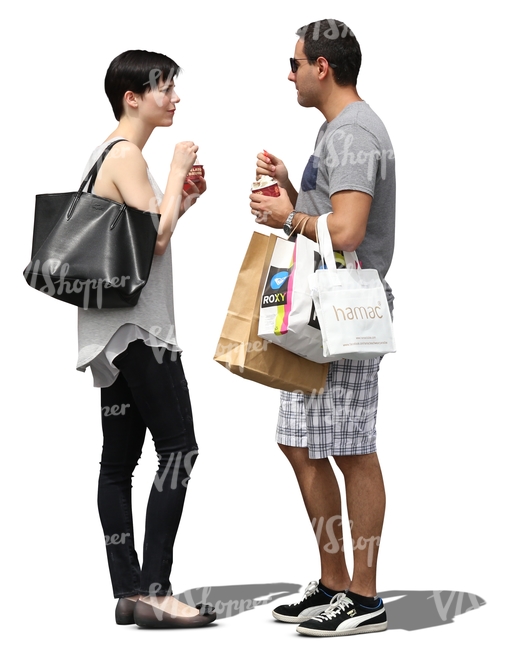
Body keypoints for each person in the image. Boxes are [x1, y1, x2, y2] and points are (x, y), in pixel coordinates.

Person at [249, 19, 395, 637]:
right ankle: (335, 582)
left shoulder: (355, 131)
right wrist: (292, 193)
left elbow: (349, 232)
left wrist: (288, 217)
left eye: (295, 63)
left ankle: (364, 596)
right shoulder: (335, 131)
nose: (290, 74)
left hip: (347, 307)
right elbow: (329, 214)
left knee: (352, 447)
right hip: (321, 307)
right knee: (301, 441)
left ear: (322, 68)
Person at [76, 50, 215, 629]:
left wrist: (182, 200)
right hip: (141, 332)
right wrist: (178, 167)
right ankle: (156, 590)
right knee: (178, 448)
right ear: (133, 96)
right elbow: (154, 245)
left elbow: (147, 231)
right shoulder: (129, 154)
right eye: (165, 87)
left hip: (111, 338)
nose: (175, 96)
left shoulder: (106, 155)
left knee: (118, 463)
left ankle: (129, 591)